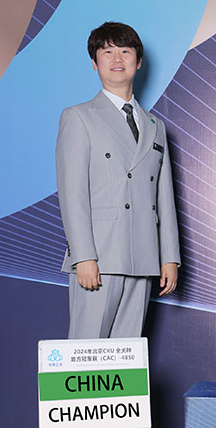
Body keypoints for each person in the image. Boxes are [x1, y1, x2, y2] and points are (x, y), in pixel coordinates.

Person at [56, 22, 181, 339]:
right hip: (100, 256)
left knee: (127, 355)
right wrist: (83, 256)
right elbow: (72, 194)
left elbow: (164, 198)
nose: (117, 58)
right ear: (94, 63)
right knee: (87, 350)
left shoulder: (155, 125)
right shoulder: (79, 116)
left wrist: (169, 258)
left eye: (125, 51)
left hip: (143, 255)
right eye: (107, 51)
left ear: (138, 61)